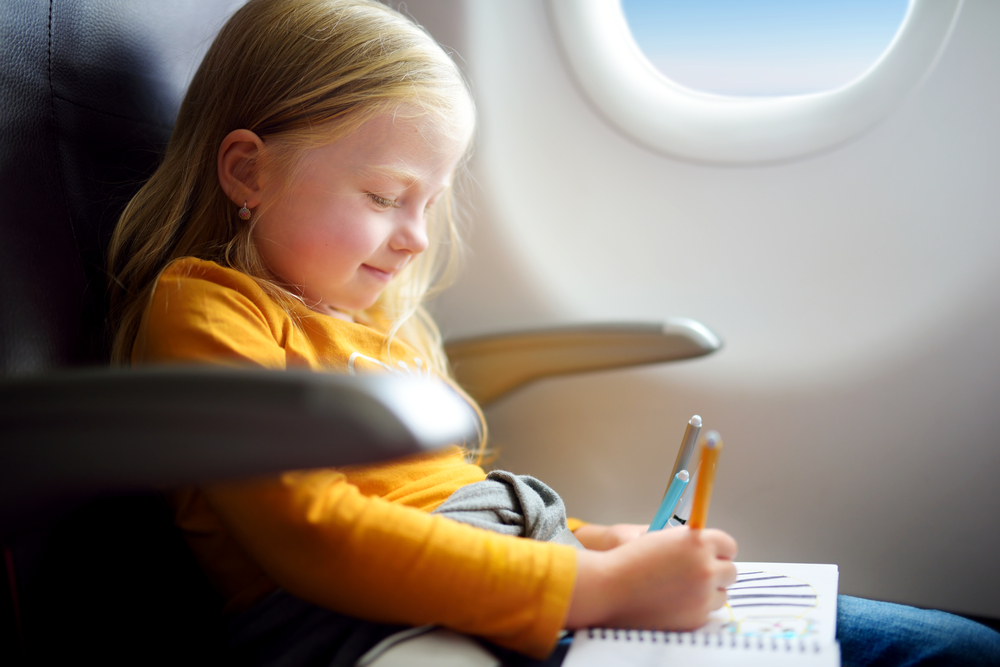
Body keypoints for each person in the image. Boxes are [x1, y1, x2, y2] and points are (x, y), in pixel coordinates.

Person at [106, 1, 1000, 665]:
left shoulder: (364, 322)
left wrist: (602, 540)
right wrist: (598, 587)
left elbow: (442, 497)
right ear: (246, 170)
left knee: (950, 651)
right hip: (357, 625)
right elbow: (313, 532)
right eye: (384, 197)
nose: (416, 234)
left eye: (429, 200)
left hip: (506, 569)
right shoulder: (210, 309)